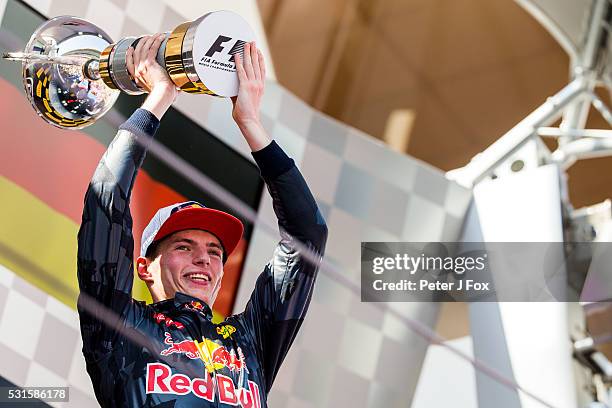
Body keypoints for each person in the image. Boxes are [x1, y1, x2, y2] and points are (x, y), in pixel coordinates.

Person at [77, 33, 328, 407]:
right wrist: (159, 99)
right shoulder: (120, 327)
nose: (204, 260)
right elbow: (106, 202)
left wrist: (250, 123)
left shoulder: (251, 342)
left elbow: (307, 235)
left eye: (215, 251)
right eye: (183, 246)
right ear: (144, 267)